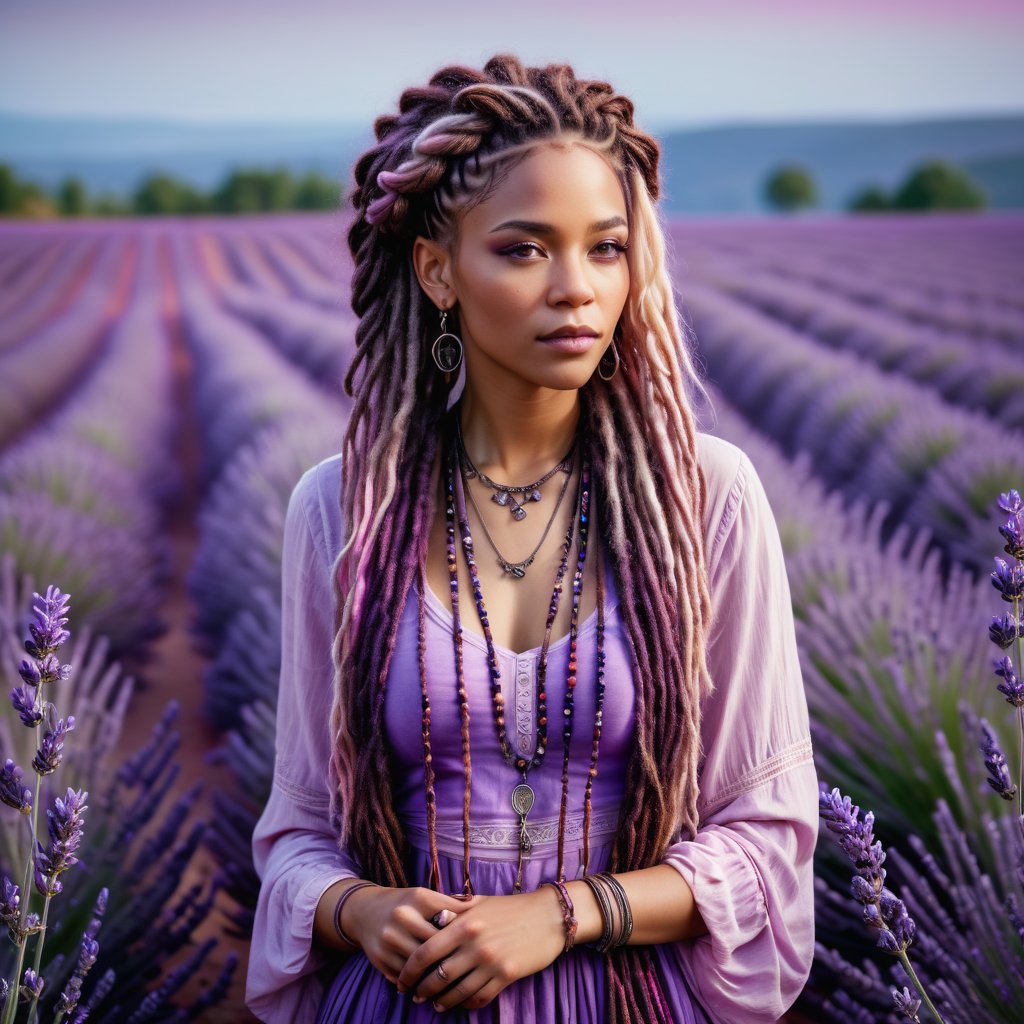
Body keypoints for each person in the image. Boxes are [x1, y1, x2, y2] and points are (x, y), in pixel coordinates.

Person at [245, 53, 818, 1024]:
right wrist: (364, 906)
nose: (576, 289)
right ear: (437, 270)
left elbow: (765, 840)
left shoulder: (704, 498)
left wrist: (562, 914)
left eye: (606, 246)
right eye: (523, 249)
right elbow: (298, 836)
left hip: (624, 1000)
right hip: (404, 1002)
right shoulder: (344, 510)